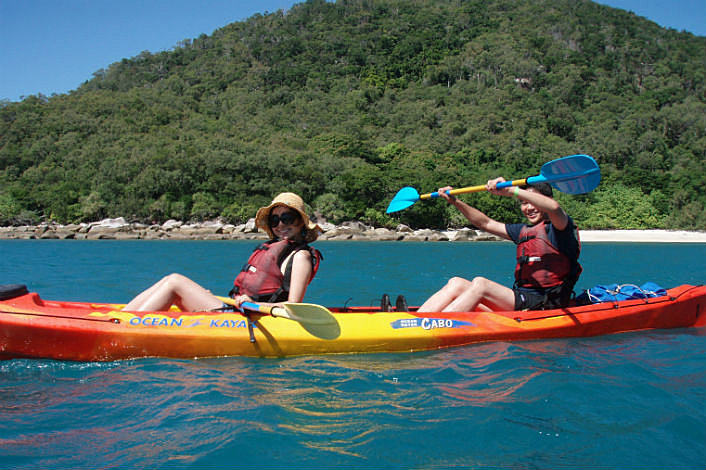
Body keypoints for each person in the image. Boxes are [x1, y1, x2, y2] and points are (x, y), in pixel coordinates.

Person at [123, 192, 323, 312]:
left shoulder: (301, 256)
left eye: (287, 218)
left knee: (176, 281)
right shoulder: (276, 249)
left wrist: (255, 305)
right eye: (274, 220)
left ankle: (126, 327)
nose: (280, 225)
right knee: (169, 280)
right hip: (240, 312)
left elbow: (294, 306)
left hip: (256, 318)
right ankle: (123, 318)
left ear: (300, 221)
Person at [417, 178, 581, 313]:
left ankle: (436, 326)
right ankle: (417, 320)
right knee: (456, 283)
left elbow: (554, 208)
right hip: (521, 299)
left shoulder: (560, 229)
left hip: (545, 303)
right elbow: (485, 223)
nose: (529, 207)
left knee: (481, 284)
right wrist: (455, 201)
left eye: (532, 201)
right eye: (523, 203)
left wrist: (512, 190)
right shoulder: (523, 231)